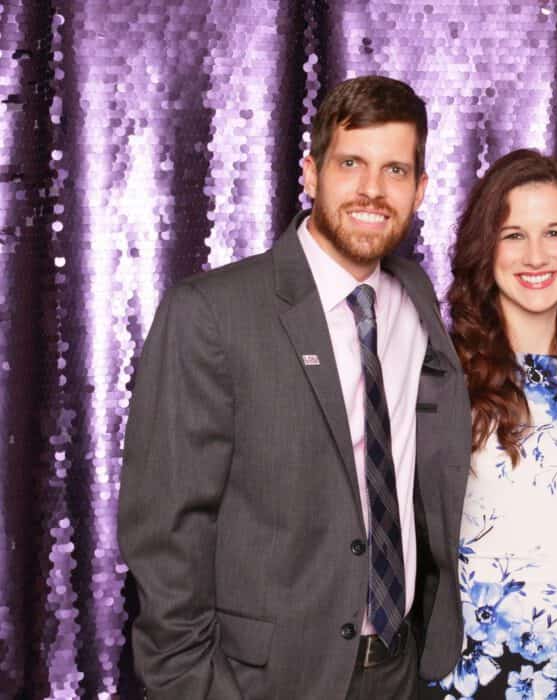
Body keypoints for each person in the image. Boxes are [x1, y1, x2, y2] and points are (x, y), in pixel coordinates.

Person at [118, 75, 471, 699]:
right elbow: (165, 535)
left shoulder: (416, 301)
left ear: (420, 190)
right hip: (266, 680)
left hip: (400, 670)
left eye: (395, 170)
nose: (371, 189)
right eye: (350, 164)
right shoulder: (211, 313)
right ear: (310, 173)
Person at [419, 150, 557, 700]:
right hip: (469, 677)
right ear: (486, 249)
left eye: (554, 231)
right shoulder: (437, 373)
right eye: (513, 235)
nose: (536, 255)